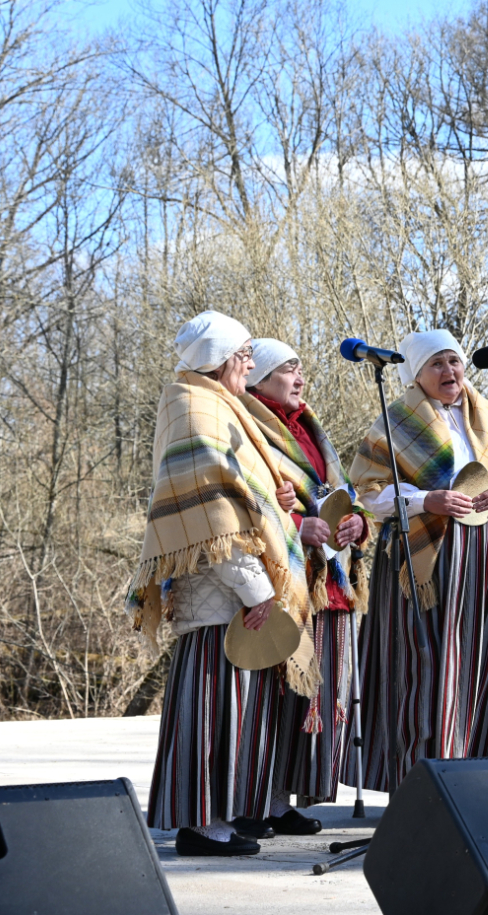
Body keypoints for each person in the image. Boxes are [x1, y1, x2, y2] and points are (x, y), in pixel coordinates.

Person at [127, 311, 315, 857]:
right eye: (245, 355)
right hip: (224, 595)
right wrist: (260, 590)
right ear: (221, 359)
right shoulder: (195, 408)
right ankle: (202, 826)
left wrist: (277, 499)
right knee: (213, 715)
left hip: (233, 591)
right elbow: (214, 519)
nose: (251, 365)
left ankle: (220, 821)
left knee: (232, 717)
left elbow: (243, 496)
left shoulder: (214, 403)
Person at [348, 329, 488, 791]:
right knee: (423, 667)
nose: (449, 371)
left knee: (484, 665)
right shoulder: (395, 422)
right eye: (437, 364)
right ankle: (422, 785)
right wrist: (424, 500)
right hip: (424, 564)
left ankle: (484, 782)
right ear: (417, 375)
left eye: (454, 361)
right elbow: (368, 493)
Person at [240, 338, 372, 833]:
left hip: (327, 578)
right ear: (260, 378)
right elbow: (247, 501)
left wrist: (356, 521)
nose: (300, 378)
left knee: (306, 696)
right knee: (272, 695)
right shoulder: (249, 426)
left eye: (300, 369)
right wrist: (297, 526)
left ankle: (278, 800)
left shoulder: (311, 427)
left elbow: (338, 493)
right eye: (289, 369)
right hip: (281, 577)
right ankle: (252, 801)